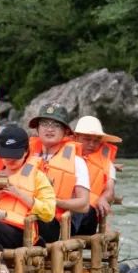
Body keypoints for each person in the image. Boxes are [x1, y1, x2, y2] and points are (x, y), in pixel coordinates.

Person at [0, 124, 56, 273]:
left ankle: (1, 268)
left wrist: (18, 193)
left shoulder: (37, 176)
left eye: (15, 155)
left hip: (21, 232)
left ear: (25, 151)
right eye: (5, 155)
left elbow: (49, 212)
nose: (9, 160)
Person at [27, 103, 90, 243]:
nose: (50, 129)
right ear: (37, 129)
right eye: (44, 124)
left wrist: (52, 203)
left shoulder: (77, 162)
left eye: (56, 125)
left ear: (65, 131)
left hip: (53, 222)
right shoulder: (25, 156)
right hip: (24, 213)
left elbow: (84, 204)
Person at [72, 115, 121, 236]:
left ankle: (62, 231)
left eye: (96, 140)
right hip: (59, 208)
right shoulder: (61, 155)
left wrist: (103, 198)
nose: (92, 144)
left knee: (83, 211)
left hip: (88, 214)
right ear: (76, 137)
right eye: (87, 139)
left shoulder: (106, 164)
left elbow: (110, 190)